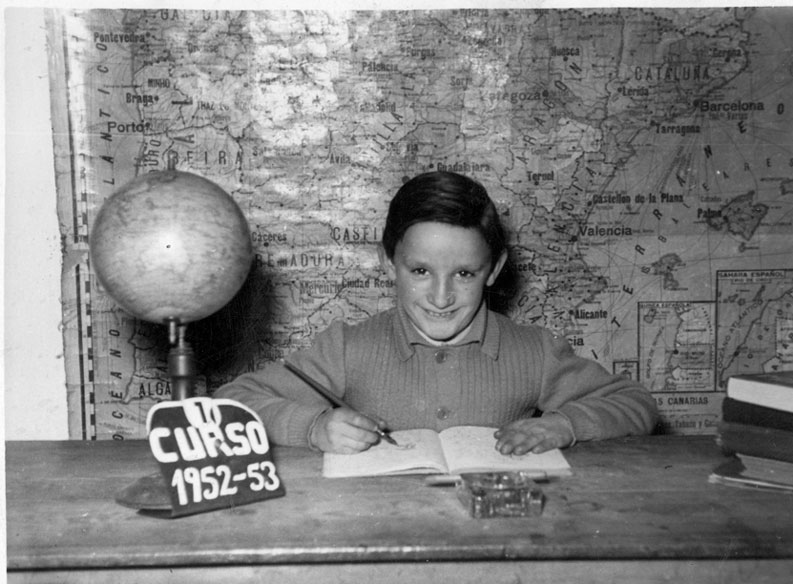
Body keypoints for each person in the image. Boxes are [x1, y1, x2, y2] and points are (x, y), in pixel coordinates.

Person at [215, 171, 658, 455]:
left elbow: (637, 405)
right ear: (389, 263)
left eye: (464, 273)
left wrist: (565, 425)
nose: (442, 297)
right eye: (421, 270)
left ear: (495, 269)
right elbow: (229, 402)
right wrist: (313, 428)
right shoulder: (347, 347)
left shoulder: (534, 351)